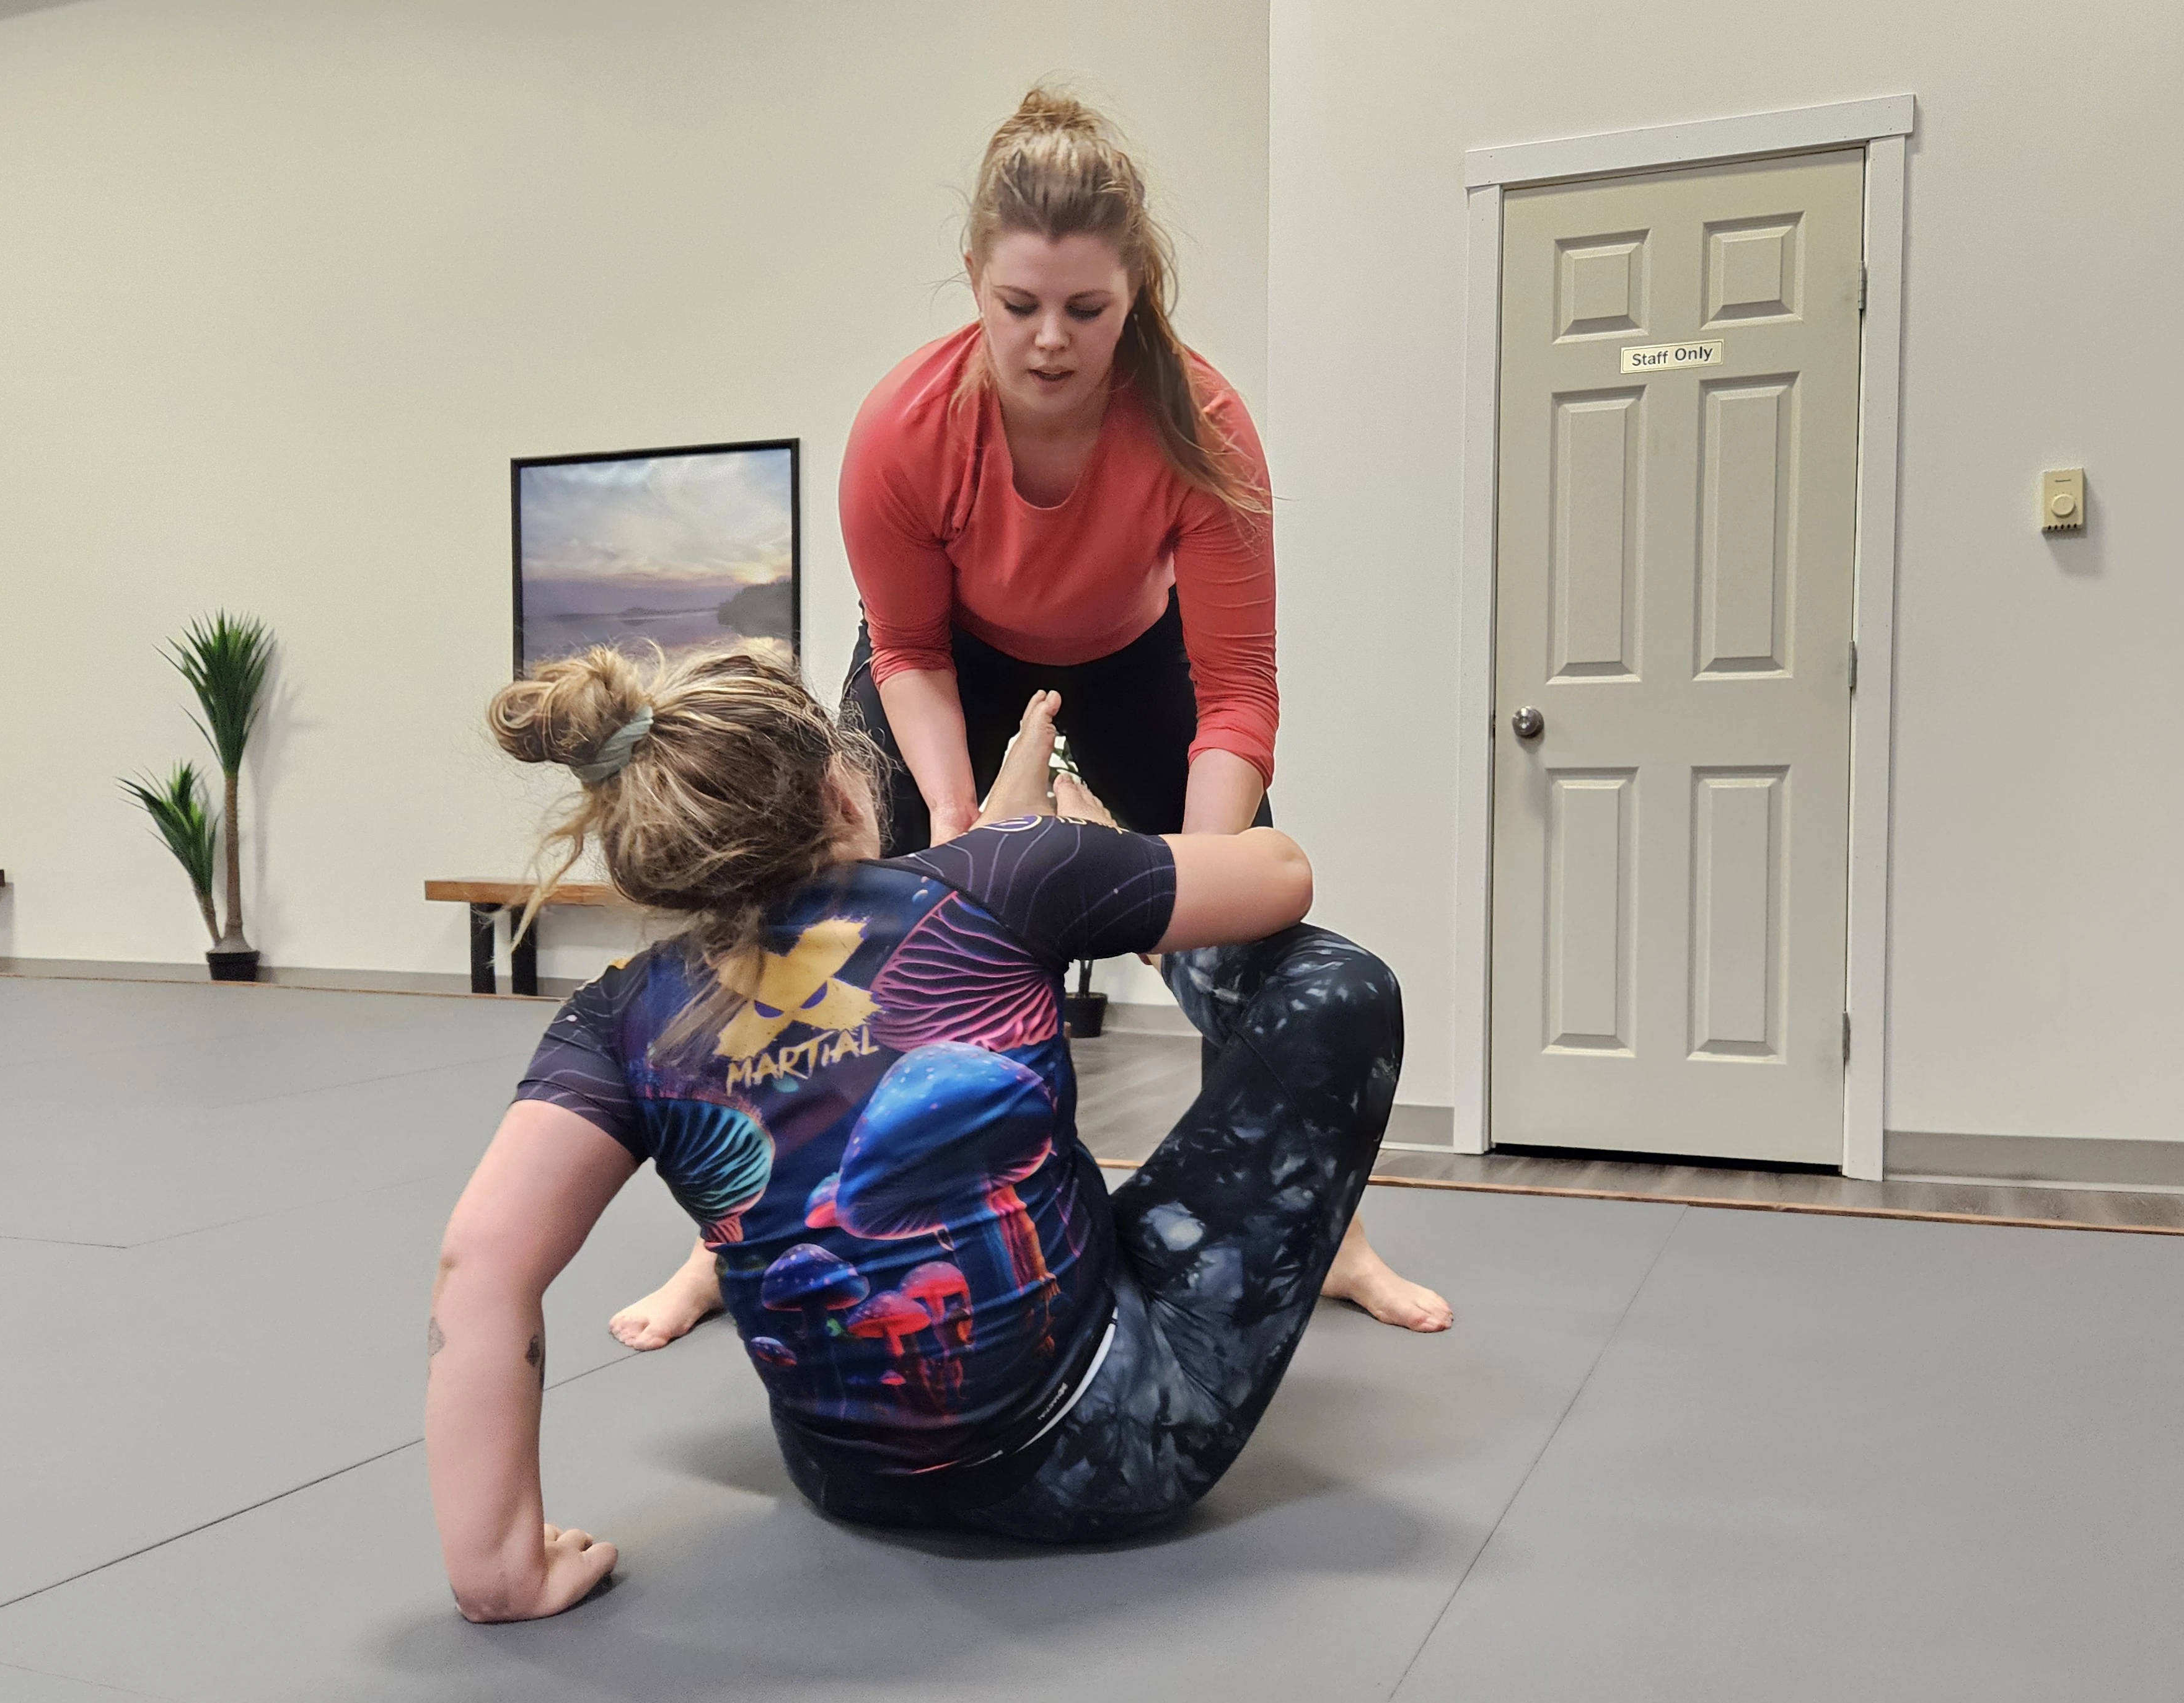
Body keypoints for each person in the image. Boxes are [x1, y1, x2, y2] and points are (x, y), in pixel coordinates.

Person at [614, 84, 1446, 1343]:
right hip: (947, 657)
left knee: (1249, 934)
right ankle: (731, 1239)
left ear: (1136, 292)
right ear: (973, 283)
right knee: (835, 928)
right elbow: (907, 646)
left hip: (1139, 658)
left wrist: (1193, 875)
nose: (1050, 340)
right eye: (1018, 306)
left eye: (1086, 310)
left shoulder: (1204, 426)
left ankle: (1330, 1233)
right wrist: (955, 823)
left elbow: (1235, 688)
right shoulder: (902, 432)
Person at [426, 640, 1407, 1621]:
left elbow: (482, 1267)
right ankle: (1164, 954)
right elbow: (1281, 874)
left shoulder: (616, 1016)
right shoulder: (998, 878)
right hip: (1118, 1456)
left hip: (845, 1477)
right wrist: (1099, 858)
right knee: (1341, 989)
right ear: (841, 791)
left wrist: (498, 1570)